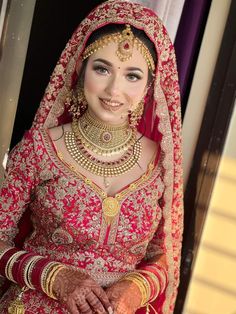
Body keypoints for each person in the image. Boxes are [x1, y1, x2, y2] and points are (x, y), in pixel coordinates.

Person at [0, 1, 183, 313]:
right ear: (80, 68)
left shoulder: (161, 163)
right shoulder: (40, 148)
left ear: (150, 86)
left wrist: (136, 288)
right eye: (102, 69)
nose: (114, 90)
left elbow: (164, 254)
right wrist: (55, 276)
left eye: (133, 76)